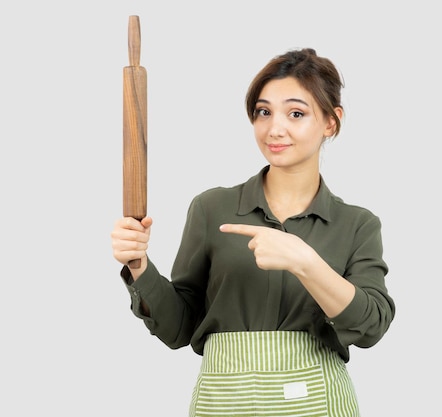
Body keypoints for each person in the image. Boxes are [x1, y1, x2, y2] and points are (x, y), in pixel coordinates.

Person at [110, 48, 395, 417]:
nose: (274, 128)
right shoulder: (211, 208)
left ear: (331, 122)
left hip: (316, 403)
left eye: (296, 113)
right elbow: (179, 328)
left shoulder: (358, 224)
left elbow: (371, 326)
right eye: (264, 112)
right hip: (223, 403)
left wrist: (305, 262)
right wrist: (138, 266)